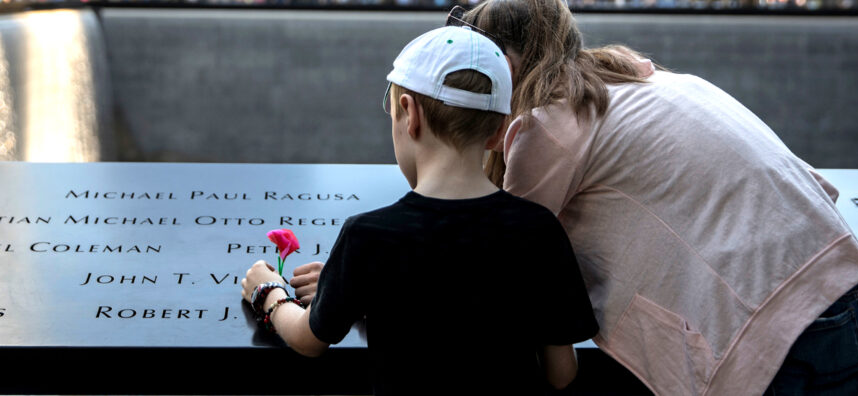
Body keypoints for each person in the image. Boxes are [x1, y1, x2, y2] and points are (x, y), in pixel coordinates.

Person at [454, 0, 858, 396]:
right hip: (851, 302)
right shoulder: (656, 83)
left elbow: (501, 266)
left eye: (474, 74)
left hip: (780, 345)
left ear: (507, 68)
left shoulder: (549, 126)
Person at [241, 25, 598, 395]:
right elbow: (561, 373)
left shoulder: (369, 235)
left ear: (409, 114)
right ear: (498, 132)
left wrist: (269, 293)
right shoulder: (539, 230)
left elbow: (307, 339)